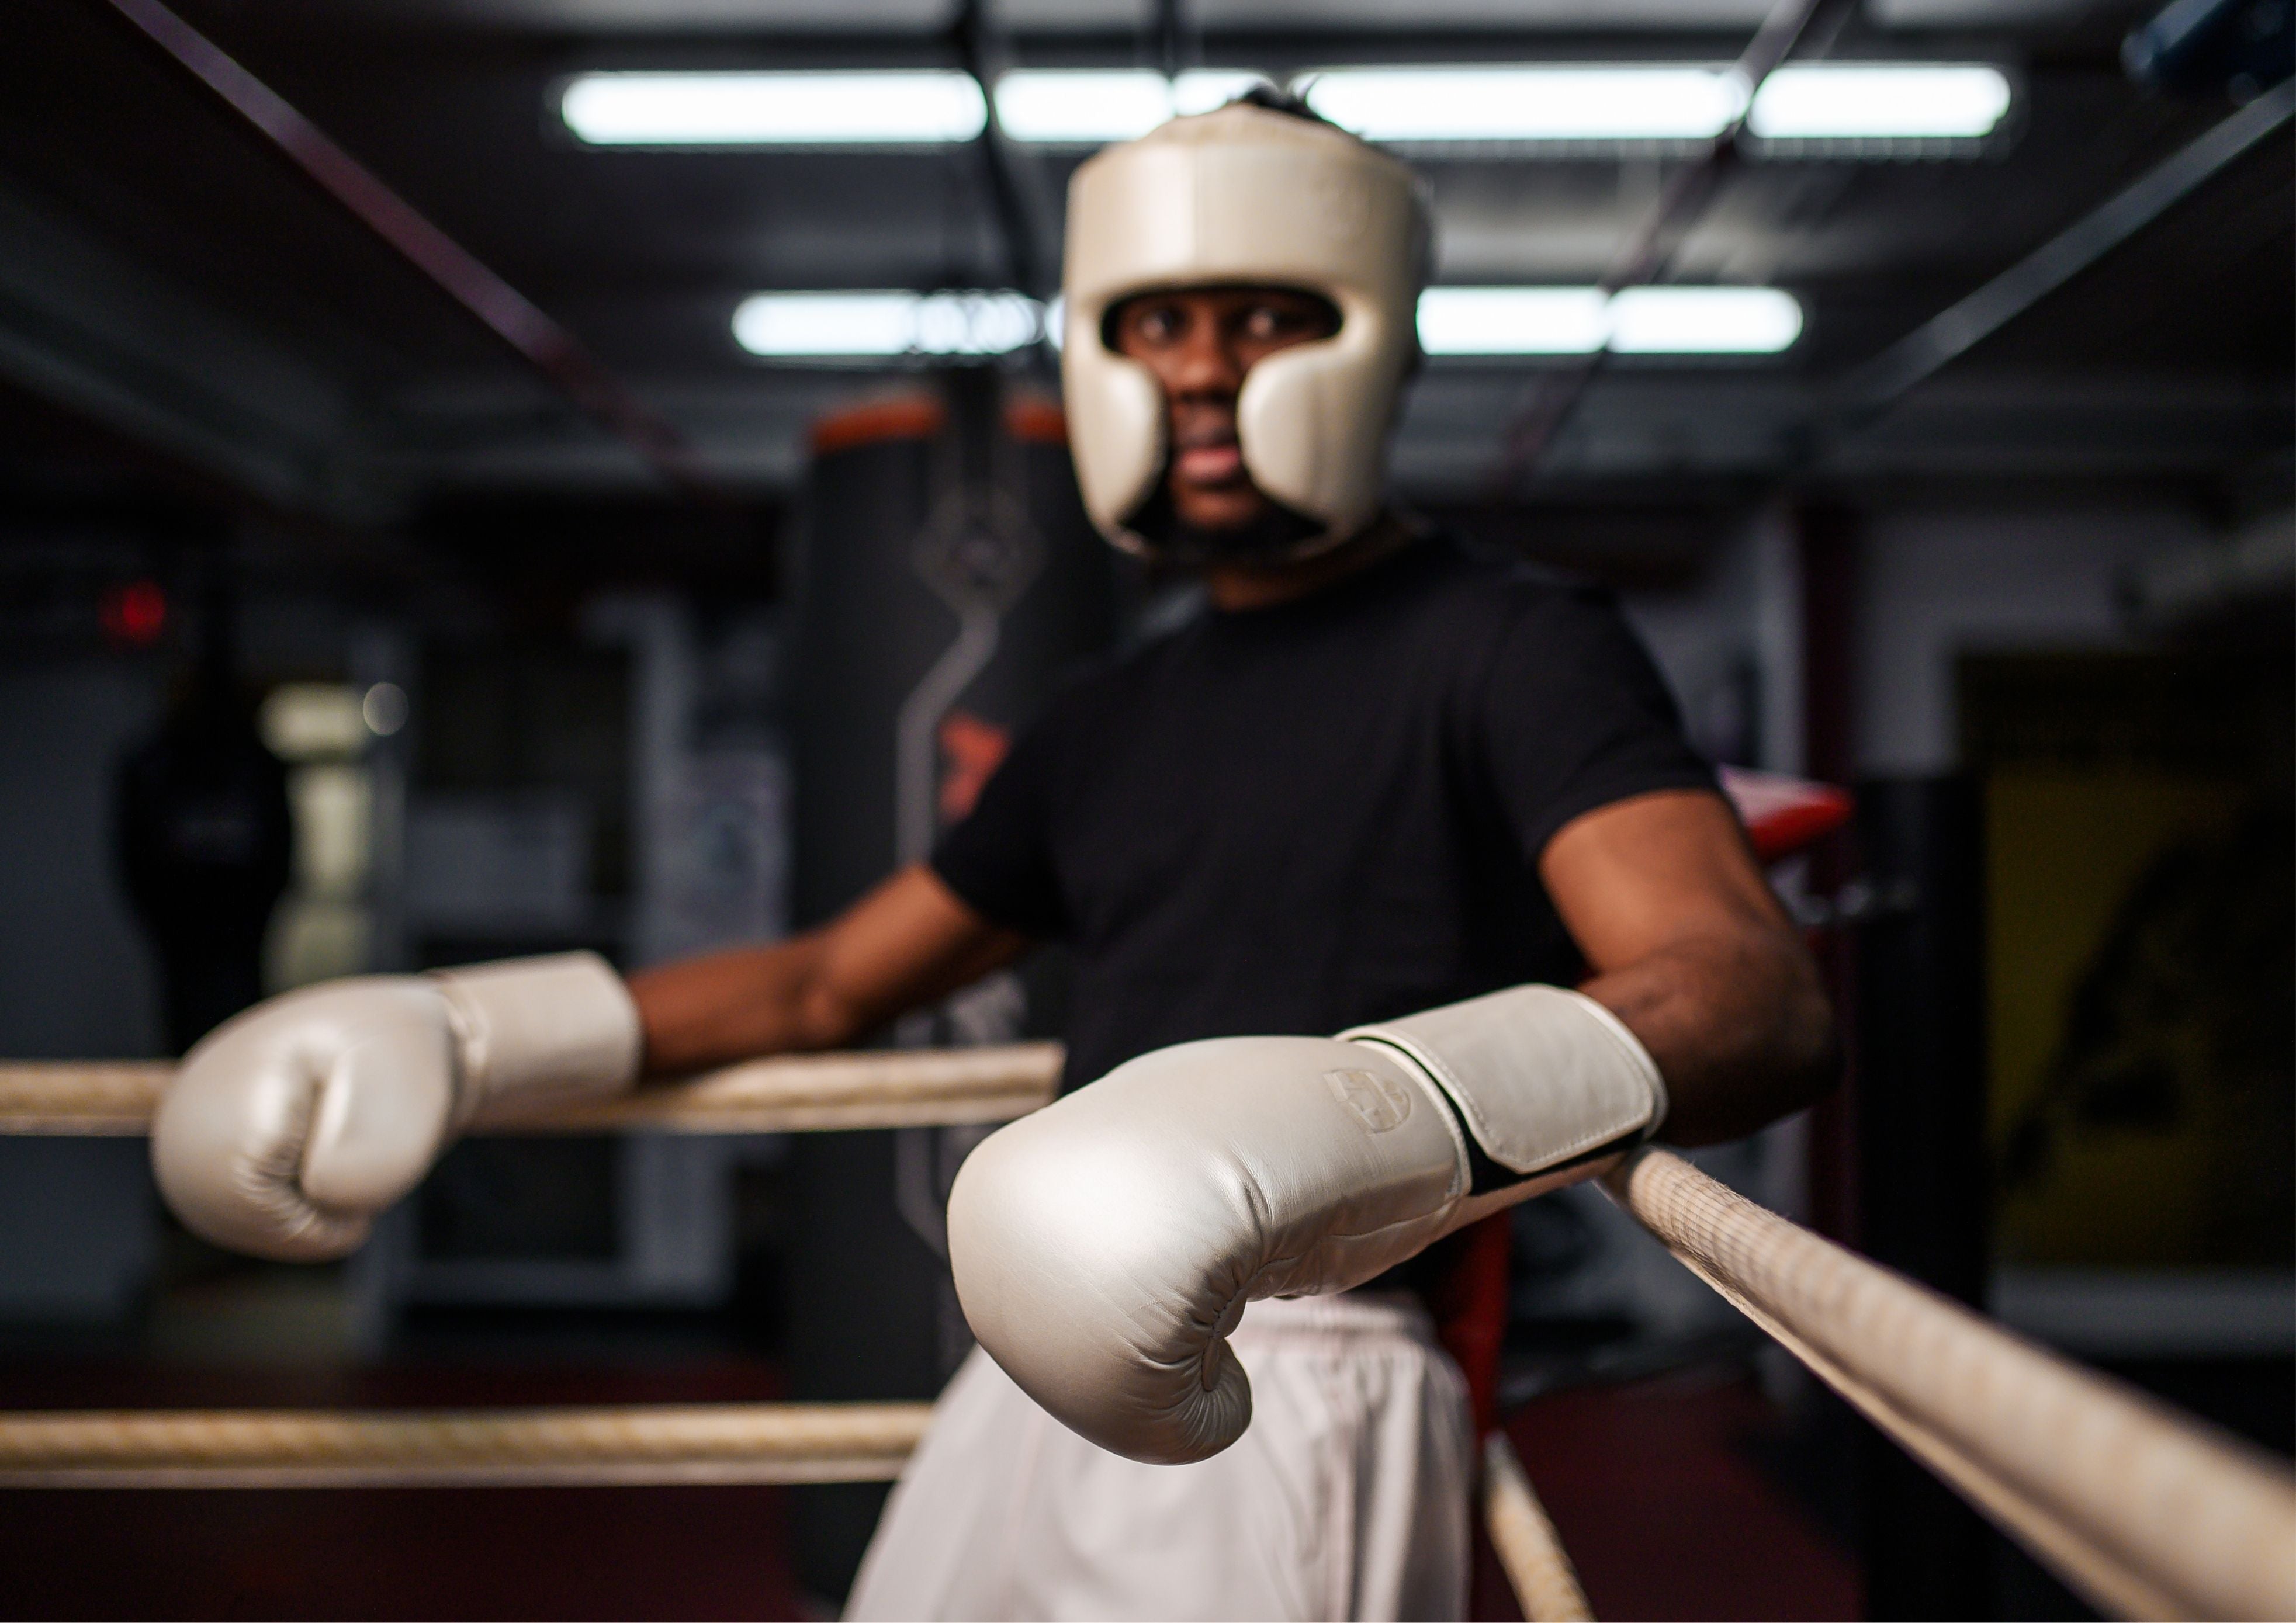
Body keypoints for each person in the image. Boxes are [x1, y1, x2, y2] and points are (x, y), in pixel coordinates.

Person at [149, 93, 1834, 1622]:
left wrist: (1363, 1111)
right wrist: (466, 1032)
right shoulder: (1111, 713)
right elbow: (823, 978)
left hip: (1306, 1368)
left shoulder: (1509, 643)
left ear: (1373, 339)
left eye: (1263, 316)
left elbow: (1746, 991)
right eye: (1154, 320)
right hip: (1027, 1346)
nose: (1196, 367)